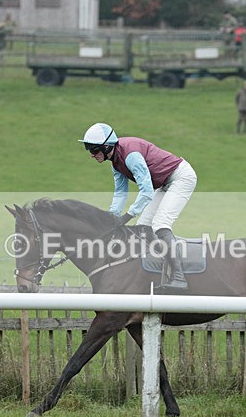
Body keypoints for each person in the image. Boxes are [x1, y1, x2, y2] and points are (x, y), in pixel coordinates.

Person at [78, 122, 197, 292]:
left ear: (106, 146)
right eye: (89, 150)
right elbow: (120, 194)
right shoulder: (115, 162)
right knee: (143, 227)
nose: (91, 155)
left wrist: (127, 216)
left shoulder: (131, 155)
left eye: (94, 150)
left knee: (160, 224)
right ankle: (158, 271)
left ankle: (179, 277)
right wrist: (112, 218)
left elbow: (146, 191)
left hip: (181, 178)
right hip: (164, 183)